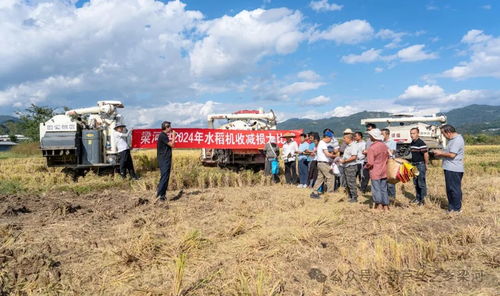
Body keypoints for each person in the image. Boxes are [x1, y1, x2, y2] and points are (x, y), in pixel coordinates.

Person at [433, 124, 465, 212]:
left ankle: (456, 209)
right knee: (451, 188)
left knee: (453, 189)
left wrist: (440, 153)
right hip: (450, 167)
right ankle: (452, 207)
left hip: (453, 168)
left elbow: (452, 155)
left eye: (443, 133)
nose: (443, 135)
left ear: (448, 132)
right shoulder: (452, 140)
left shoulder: (457, 140)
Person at [366, 129, 390, 211]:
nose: (369, 137)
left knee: (376, 189)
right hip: (384, 170)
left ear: (373, 137)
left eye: (370, 136)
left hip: (375, 171)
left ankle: (379, 205)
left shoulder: (372, 148)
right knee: (384, 188)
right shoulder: (384, 146)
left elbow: (370, 163)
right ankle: (386, 206)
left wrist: (366, 166)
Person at [310, 131, 336, 199]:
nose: (330, 140)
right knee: (331, 176)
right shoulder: (323, 143)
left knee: (320, 178)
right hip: (323, 163)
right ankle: (330, 193)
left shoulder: (320, 143)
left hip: (319, 163)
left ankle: (314, 192)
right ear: (327, 137)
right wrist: (335, 155)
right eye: (330, 138)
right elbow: (327, 154)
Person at [156, 121, 176, 201]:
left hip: (165, 159)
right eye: (170, 127)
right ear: (166, 127)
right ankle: (160, 195)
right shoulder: (163, 135)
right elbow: (172, 145)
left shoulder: (163, 135)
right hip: (164, 159)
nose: (171, 128)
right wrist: (174, 136)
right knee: (164, 177)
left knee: (165, 177)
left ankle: (162, 194)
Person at [409, 128, 429, 205]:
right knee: (415, 182)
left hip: (420, 164)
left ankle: (423, 200)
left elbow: (426, 154)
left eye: (413, 133)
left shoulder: (421, 143)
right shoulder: (412, 143)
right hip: (414, 165)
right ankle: (417, 198)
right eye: (411, 133)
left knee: (421, 183)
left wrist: (426, 164)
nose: (412, 135)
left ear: (418, 134)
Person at [340, 133, 358, 203]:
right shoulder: (348, 146)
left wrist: (345, 161)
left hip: (351, 166)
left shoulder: (353, 146)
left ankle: (354, 197)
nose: (343, 139)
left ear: (349, 138)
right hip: (346, 165)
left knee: (351, 182)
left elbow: (354, 157)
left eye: (344, 138)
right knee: (347, 182)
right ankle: (350, 196)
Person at [360, 123, 376, 192]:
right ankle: (362, 190)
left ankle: (374, 190)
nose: (368, 130)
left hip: (373, 161)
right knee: (365, 176)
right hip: (366, 160)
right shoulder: (368, 139)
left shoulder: (376, 140)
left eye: (369, 128)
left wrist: (367, 152)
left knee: (374, 177)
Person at [382, 128, 397, 199]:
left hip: (390, 163)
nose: (381, 135)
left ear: (387, 134)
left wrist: (385, 150)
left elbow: (392, 152)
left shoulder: (392, 142)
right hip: (382, 163)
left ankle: (392, 197)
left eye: (383, 134)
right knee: (384, 180)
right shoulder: (381, 142)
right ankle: (386, 196)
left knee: (390, 180)